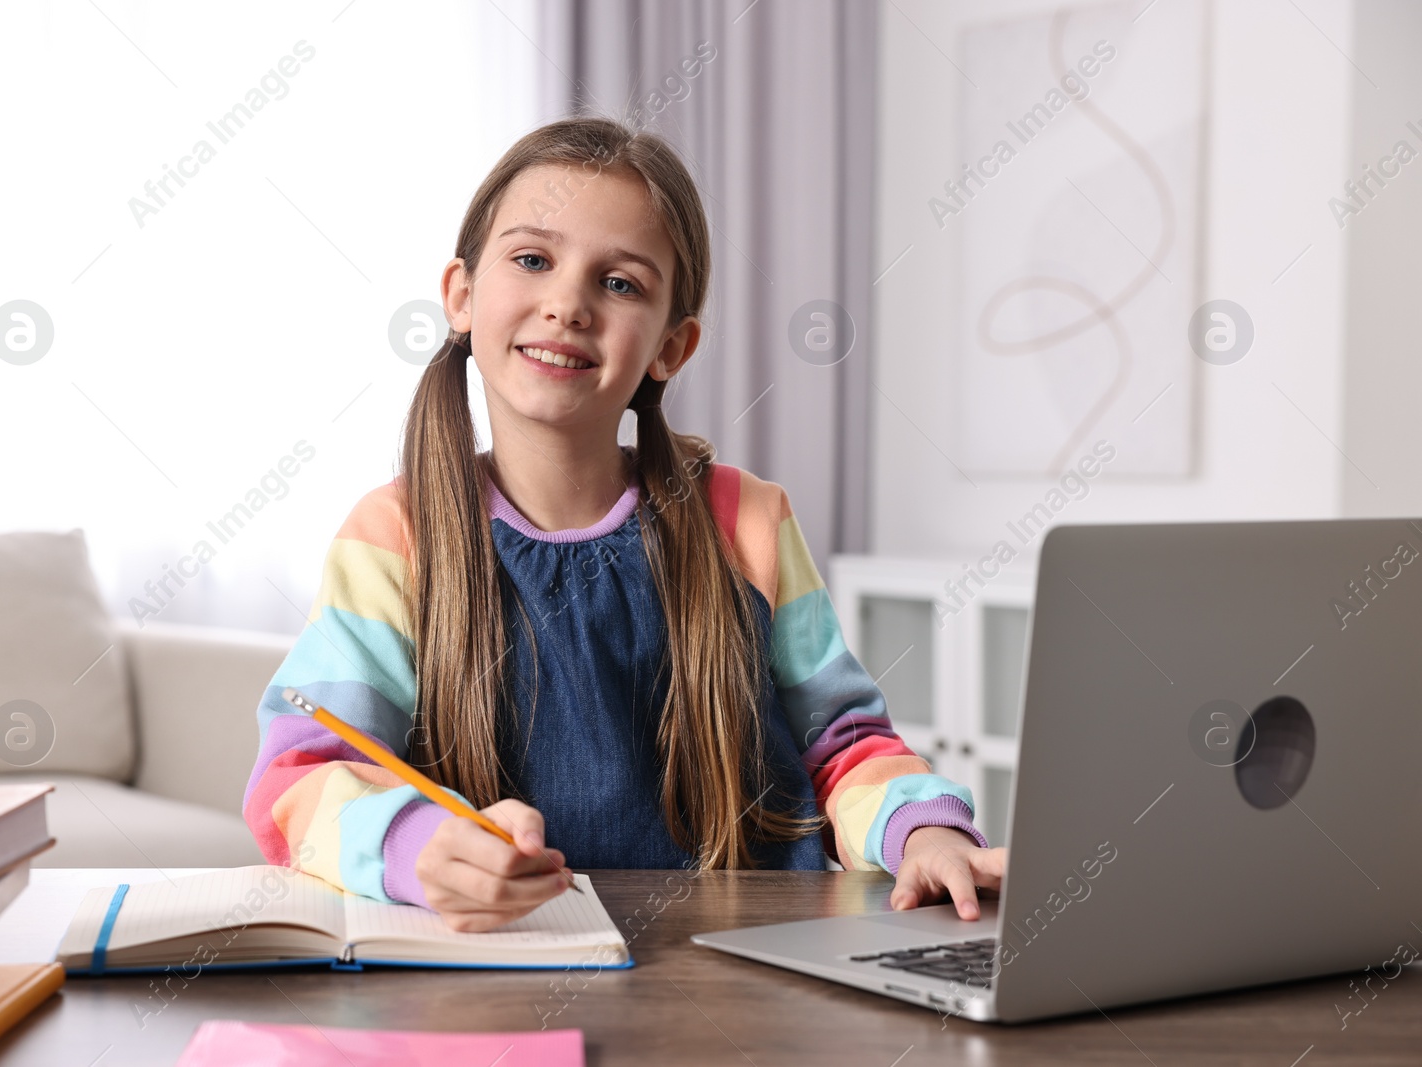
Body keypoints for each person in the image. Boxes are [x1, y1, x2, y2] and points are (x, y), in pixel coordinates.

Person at [244, 116, 1005, 932]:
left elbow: (844, 742)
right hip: (494, 975)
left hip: (743, 977)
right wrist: (413, 844)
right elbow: (299, 775)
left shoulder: (745, 518)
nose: (567, 303)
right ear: (462, 296)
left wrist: (922, 828)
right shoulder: (394, 535)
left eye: (620, 283)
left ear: (671, 346)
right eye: (533, 259)